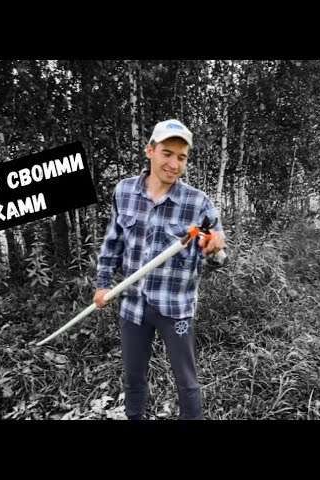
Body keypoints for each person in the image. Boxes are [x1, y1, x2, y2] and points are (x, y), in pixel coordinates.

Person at [93, 119, 227, 420]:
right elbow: (112, 243)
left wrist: (214, 250)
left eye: (181, 157)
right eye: (167, 153)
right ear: (150, 150)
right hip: (132, 305)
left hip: (175, 307)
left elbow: (218, 256)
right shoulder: (124, 191)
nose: (174, 164)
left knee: (186, 381)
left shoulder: (198, 203)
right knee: (133, 377)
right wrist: (103, 284)